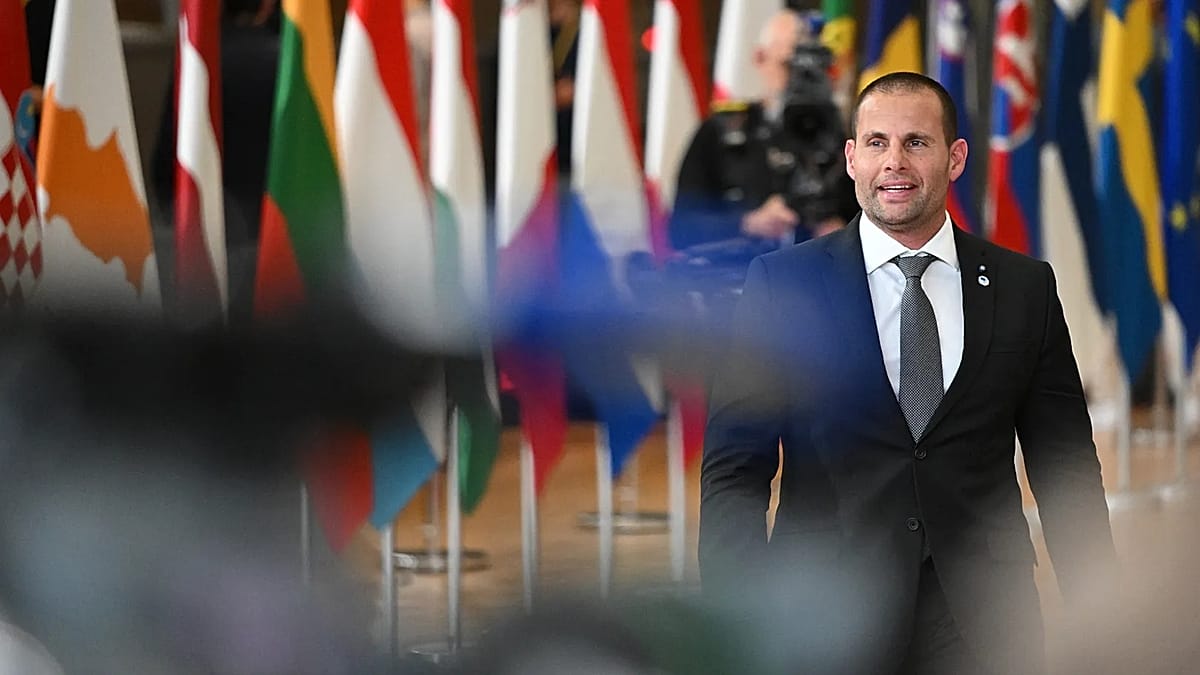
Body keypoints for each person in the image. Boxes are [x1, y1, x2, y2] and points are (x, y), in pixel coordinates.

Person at [698, 72, 1117, 674]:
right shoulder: (782, 285)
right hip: (825, 615)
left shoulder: (1025, 287)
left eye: (916, 142)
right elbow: (736, 468)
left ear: (955, 158)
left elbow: (1065, 465)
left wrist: (1103, 613)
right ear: (852, 159)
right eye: (877, 143)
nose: (894, 162)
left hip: (986, 620)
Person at [668, 9, 857, 255]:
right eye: (788, 66)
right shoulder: (721, 134)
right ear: (760, 58)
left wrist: (844, 234)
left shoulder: (838, 137)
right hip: (738, 271)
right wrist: (747, 223)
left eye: (814, 71)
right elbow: (681, 227)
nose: (800, 80)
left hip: (816, 272)